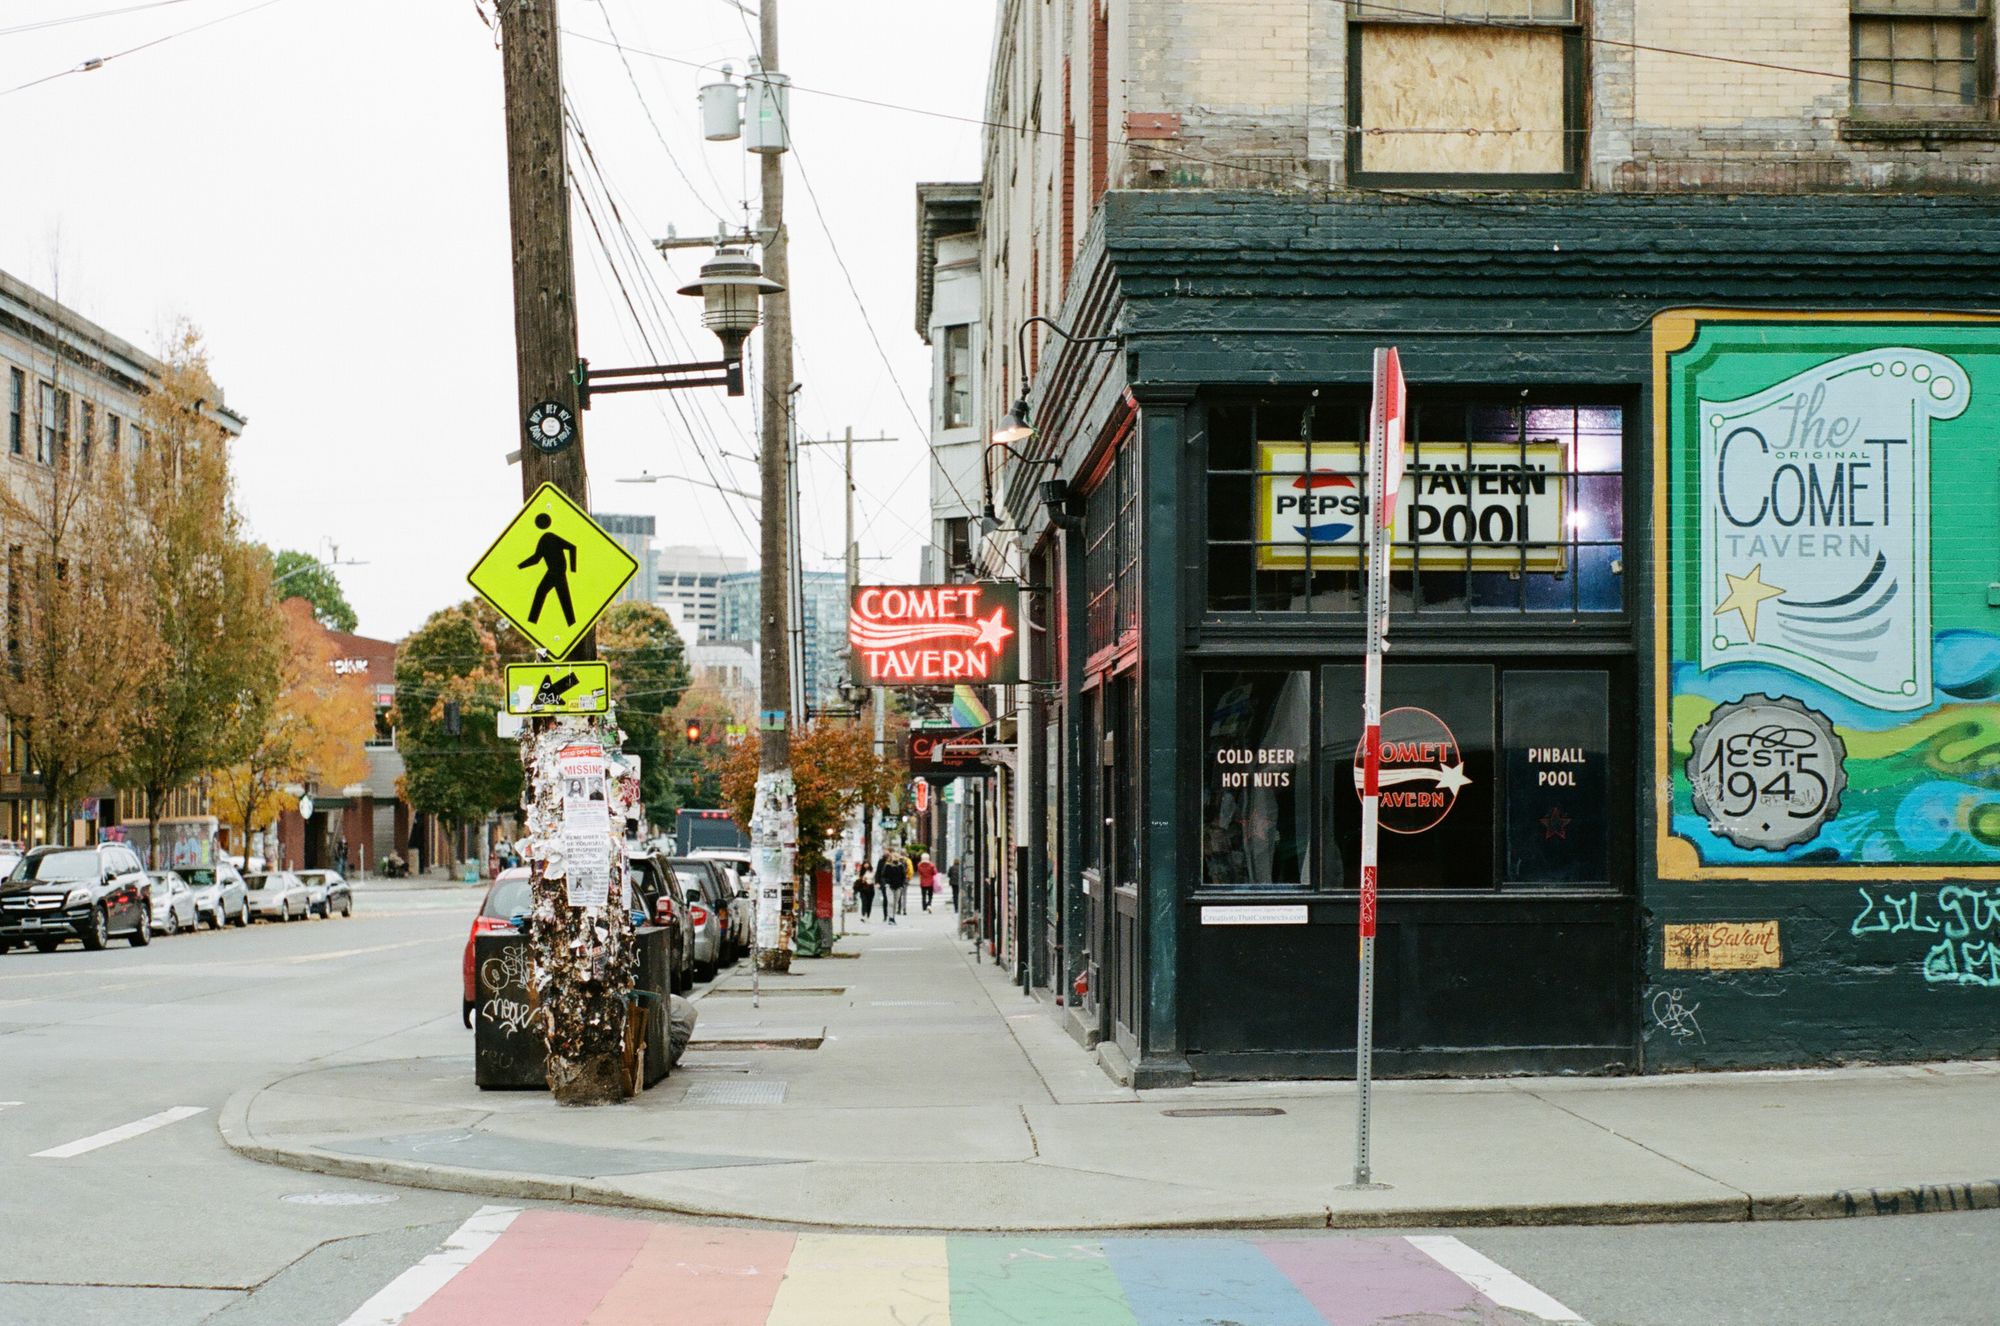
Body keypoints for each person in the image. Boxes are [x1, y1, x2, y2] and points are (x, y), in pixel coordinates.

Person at [875, 849, 907, 925]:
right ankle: (890, 918)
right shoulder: (887, 866)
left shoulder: (901, 866)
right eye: (894, 857)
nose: (895, 858)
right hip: (889, 886)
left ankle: (893, 917)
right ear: (891, 857)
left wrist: (902, 885)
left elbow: (903, 876)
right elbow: (883, 875)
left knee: (895, 902)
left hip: (898, 886)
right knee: (890, 902)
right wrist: (886, 883)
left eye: (896, 857)